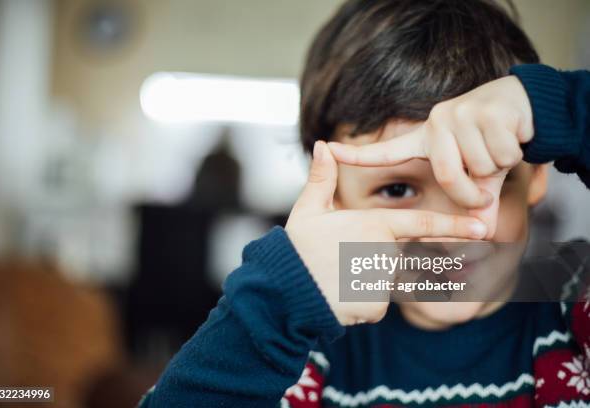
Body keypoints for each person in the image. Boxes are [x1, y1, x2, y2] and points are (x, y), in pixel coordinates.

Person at [138, 0, 590, 406]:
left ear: (536, 173)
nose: (447, 240)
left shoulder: (574, 303)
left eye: (480, 176)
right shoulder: (301, 358)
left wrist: (563, 110)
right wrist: (278, 307)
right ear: (335, 199)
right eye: (396, 190)